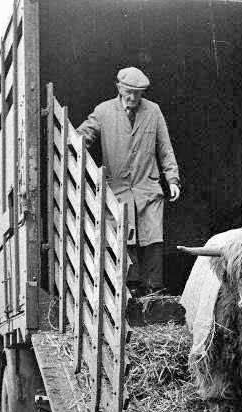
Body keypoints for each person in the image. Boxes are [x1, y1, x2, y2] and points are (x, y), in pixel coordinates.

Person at [77, 67, 180, 296]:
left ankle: (153, 291)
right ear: (118, 87)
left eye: (138, 93)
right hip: (118, 189)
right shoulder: (103, 111)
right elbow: (84, 134)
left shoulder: (153, 111)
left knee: (153, 238)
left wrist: (172, 178)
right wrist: (70, 143)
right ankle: (129, 290)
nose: (133, 98)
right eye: (128, 92)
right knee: (125, 239)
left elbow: (165, 148)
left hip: (148, 187)